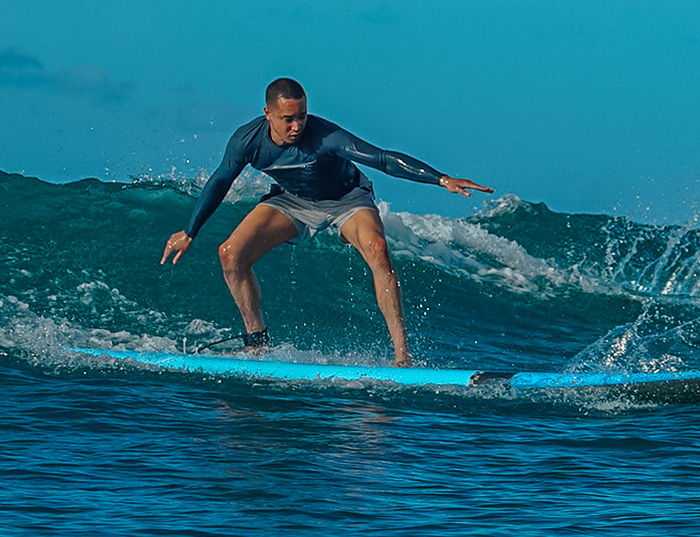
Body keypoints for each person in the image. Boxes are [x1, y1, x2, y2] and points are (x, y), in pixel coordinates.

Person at [160, 78, 492, 364]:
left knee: (377, 247)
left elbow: (382, 159)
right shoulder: (247, 141)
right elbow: (221, 181)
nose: (296, 127)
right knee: (230, 253)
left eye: (302, 117)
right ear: (268, 114)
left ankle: (402, 356)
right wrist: (190, 232)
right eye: (288, 119)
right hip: (293, 200)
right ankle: (256, 345)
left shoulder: (325, 137)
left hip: (347, 199)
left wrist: (440, 179)